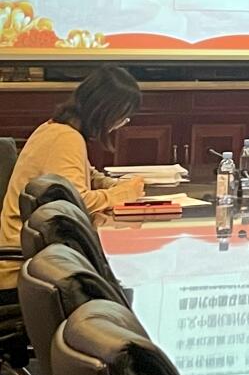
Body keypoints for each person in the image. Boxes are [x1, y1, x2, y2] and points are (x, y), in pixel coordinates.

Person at [0, 65, 147, 298]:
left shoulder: (56, 129)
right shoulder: (65, 138)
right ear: (105, 112)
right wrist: (124, 194)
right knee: (121, 287)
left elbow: (89, 176)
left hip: (41, 256)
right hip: (26, 267)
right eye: (123, 117)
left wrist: (118, 185)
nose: (121, 124)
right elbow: (77, 203)